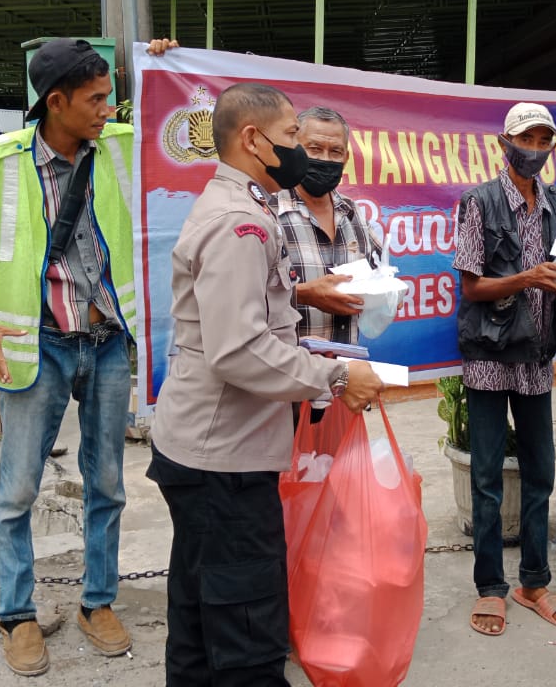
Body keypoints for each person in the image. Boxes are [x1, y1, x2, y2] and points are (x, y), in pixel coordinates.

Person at [0, 37, 170, 676]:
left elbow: (190, 132)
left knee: (107, 484)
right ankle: (18, 616)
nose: (106, 108)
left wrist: (161, 64)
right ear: (56, 101)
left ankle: (99, 603)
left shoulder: (118, 146)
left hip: (108, 341)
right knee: (17, 490)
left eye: (110, 97)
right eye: (95, 99)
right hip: (37, 345)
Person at [146, 81, 384, 687]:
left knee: (200, 618)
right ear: (252, 139)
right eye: (291, 139)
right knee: (248, 633)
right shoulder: (240, 225)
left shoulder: (242, 209)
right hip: (223, 459)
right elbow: (240, 350)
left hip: (207, 448)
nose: (303, 154)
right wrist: (333, 374)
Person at [454, 101, 556, 637]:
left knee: (540, 473)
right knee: (485, 478)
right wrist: (530, 278)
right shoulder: (478, 202)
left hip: (537, 355)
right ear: (504, 143)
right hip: (488, 354)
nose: (535, 149)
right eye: (525, 138)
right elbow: (472, 286)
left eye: (543, 139)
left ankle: (534, 581)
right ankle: (491, 587)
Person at [276, 105, 381, 346]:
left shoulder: (353, 212)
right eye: (314, 148)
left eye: (335, 151)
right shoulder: (267, 210)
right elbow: (237, 299)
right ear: (294, 149)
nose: (325, 159)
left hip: (346, 371)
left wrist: (386, 295)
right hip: (283, 373)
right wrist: (301, 294)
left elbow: (378, 274)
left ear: (346, 158)